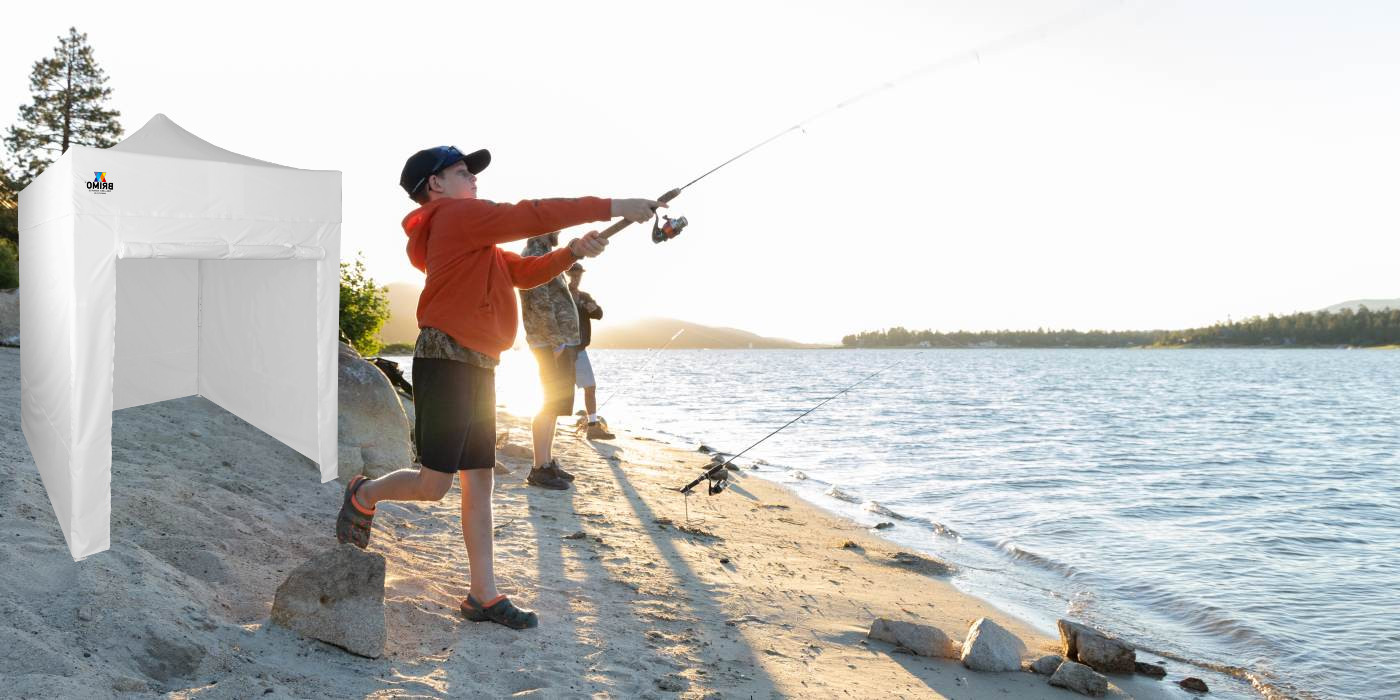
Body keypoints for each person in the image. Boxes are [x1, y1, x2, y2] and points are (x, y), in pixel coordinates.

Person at [334, 144, 661, 630]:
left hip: (482, 366)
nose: (475, 180)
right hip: (444, 361)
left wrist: (572, 250)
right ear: (435, 185)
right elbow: (531, 214)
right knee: (433, 485)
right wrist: (615, 206)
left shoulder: (474, 241)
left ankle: (482, 596)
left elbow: (525, 273)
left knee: (479, 483)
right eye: (464, 171)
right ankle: (365, 493)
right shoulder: (453, 218)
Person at [518, 233, 587, 487]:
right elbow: (540, 301)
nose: (559, 231)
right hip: (549, 342)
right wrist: (556, 340)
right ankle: (539, 467)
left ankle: (547, 461)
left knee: (555, 404)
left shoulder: (546, 252)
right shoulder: (536, 254)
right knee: (549, 403)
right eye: (555, 228)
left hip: (556, 341)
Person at [566, 263, 614, 440]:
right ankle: (548, 425)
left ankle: (592, 427)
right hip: (562, 348)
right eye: (573, 274)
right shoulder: (560, 295)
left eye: (578, 275)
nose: (576, 278)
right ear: (565, 274)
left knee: (590, 387)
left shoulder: (584, 296)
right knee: (560, 390)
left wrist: (594, 309)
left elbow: (599, 314)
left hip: (579, 349)